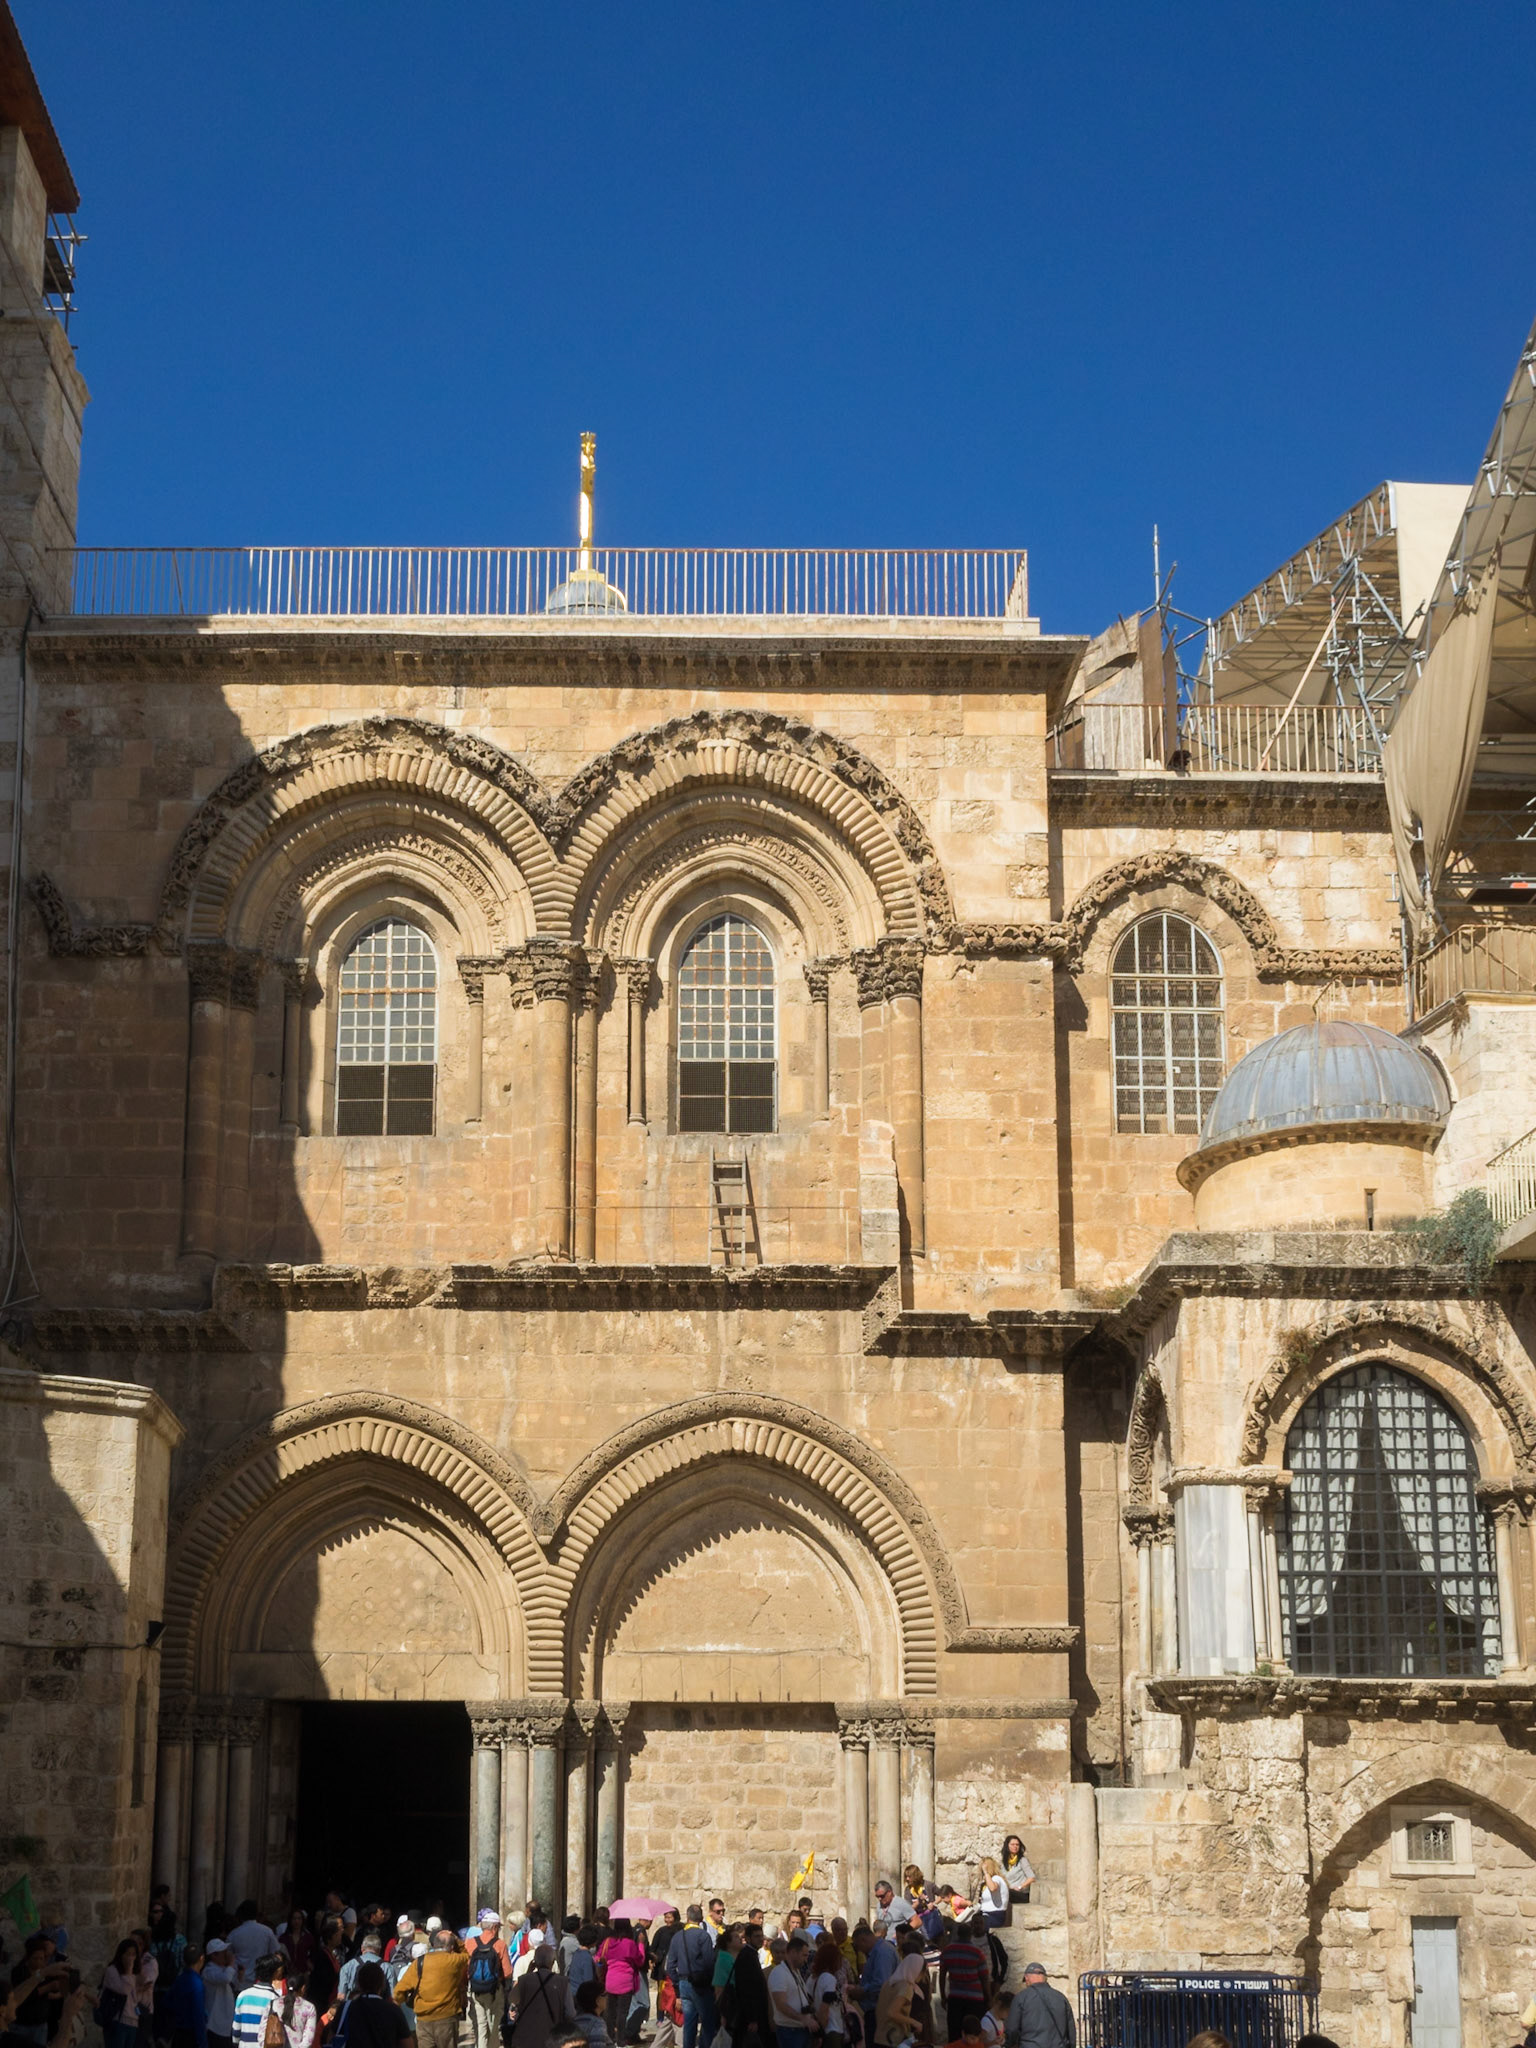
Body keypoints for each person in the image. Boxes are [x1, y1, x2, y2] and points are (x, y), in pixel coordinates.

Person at [392, 1932, 468, 2048]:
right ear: (451, 1947)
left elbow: (399, 1990)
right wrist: (457, 1939)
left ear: (434, 1945)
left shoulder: (419, 1962)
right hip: (447, 2018)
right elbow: (466, 1955)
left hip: (423, 2020)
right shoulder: (454, 1960)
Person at [0, 1960, 89, 2048]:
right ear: (2, 2010)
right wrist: (67, 2016)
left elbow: (16, 1996)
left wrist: (43, 1973)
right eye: (12, 2000)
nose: (17, 2001)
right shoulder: (10, 2042)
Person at [503, 1947, 575, 2048]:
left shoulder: (524, 1980)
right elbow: (570, 2013)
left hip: (525, 2038)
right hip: (552, 2038)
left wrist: (528, 1971)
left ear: (535, 1962)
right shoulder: (563, 1982)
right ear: (553, 1962)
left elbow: (512, 1999)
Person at [664, 1910, 716, 2048]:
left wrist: (677, 1983)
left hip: (683, 1983)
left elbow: (670, 1966)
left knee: (689, 2023)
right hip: (701, 1984)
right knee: (708, 2021)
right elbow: (709, 1962)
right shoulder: (703, 1936)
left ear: (687, 1917)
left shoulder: (677, 1937)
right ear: (701, 1918)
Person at [936, 1920, 990, 2044]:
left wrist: (944, 1997)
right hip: (975, 2000)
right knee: (974, 2034)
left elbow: (942, 1976)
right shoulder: (977, 1953)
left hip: (955, 1998)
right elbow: (984, 1978)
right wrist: (988, 1998)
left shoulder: (948, 1951)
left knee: (954, 2034)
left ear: (958, 1934)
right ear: (970, 1934)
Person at [8, 1935, 67, 2048]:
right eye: (36, 1958)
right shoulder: (19, 1972)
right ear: (28, 1957)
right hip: (21, 2025)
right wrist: (48, 1986)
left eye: (42, 1958)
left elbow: (58, 1991)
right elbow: (24, 1996)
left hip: (41, 2025)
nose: (39, 1962)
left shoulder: (46, 1972)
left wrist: (59, 1989)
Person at [335, 1963, 411, 2048]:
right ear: (382, 1985)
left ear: (359, 1984)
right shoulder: (394, 2010)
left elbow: (332, 2037)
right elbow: (407, 2044)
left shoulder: (346, 2008)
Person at [718, 1929, 771, 2048]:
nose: (760, 1939)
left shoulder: (749, 1954)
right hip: (747, 2014)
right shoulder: (747, 1956)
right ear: (748, 1938)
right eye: (756, 1936)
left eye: (762, 1936)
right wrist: (752, 2018)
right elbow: (747, 1988)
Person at [595, 1924, 645, 2048]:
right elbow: (640, 1960)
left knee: (610, 2012)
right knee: (622, 2013)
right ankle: (621, 2041)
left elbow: (598, 1957)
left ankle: (610, 2038)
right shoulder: (629, 1944)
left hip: (610, 1981)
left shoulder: (608, 1942)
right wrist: (641, 1944)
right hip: (625, 1982)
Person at [466, 1913, 510, 2048]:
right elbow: (507, 1972)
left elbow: (465, 1969)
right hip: (494, 1990)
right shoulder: (500, 1945)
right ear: (495, 1927)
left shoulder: (469, 1943)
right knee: (494, 2025)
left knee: (480, 2023)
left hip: (475, 1988)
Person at [1002, 1967, 1073, 2048]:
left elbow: (1012, 2030)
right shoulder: (1061, 1998)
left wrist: (1008, 2044)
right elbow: (1071, 2032)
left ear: (1026, 1978)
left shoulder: (1021, 1998)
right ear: (1045, 1978)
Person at [767, 1936, 815, 2048]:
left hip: (800, 2029)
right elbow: (781, 2004)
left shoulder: (795, 1972)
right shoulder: (779, 1973)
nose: (806, 1959)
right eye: (804, 1955)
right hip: (789, 2030)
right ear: (793, 1952)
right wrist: (802, 2018)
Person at [100, 1938, 146, 2048]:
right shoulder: (112, 1970)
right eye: (128, 1954)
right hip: (117, 2022)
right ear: (121, 1954)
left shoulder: (134, 1974)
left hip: (132, 2022)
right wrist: (128, 1969)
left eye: (133, 1955)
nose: (131, 1958)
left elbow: (134, 1998)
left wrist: (141, 1988)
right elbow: (123, 1990)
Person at [230, 1955, 280, 2048]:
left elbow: (236, 2028)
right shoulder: (276, 1999)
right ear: (275, 1974)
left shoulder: (243, 1996)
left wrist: (236, 2043)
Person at [854, 1925, 897, 2031]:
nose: (860, 1951)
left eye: (858, 1947)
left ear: (863, 1940)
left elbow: (882, 1983)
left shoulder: (882, 1953)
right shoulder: (877, 1952)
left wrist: (862, 1991)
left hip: (880, 2010)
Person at [227, 1911, 280, 1994]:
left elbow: (228, 1955)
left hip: (240, 1982)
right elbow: (275, 1951)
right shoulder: (267, 1931)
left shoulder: (234, 1933)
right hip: (261, 1982)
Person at [810, 1934, 848, 2048]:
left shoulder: (813, 1978)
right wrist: (821, 2032)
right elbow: (825, 2007)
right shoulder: (829, 1978)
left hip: (820, 2028)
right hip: (831, 2029)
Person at [166, 1950, 208, 2048]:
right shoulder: (197, 1984)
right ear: (201, 1958)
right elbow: (198, 2015)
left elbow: (167, 2001)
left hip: (178, 2033)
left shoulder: (180, 1979)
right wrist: (202, 2043)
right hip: (191, 2035)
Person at [202, 1944, 237, 2048]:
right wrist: (231, 1964)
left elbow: (232, 1984)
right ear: (214, 1955)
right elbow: (225, 1978)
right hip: (215, 2023)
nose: (227, 1955)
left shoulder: (224, 1969)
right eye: (224, 1953)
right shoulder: (209, 1970)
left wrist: (239, 1975)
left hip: (226, 2022)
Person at [973, 1868, 1007, 1933]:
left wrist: (986, 1872)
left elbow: (992, 1888)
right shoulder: (985, 1884)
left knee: (977, 1925)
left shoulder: (996, 1878)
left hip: (995, 1915)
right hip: (986, 1914)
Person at [998, 1844, 1031, 1909]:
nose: (1015, 1846)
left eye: (1017, 1845)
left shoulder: (1022, 1860)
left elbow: (1031, 1878)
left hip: (1020, 1894)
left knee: (1005, 1892)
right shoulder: (1005, 1863)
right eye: (1012, 1844)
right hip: (1009, 1891)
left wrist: (1019, 1887)